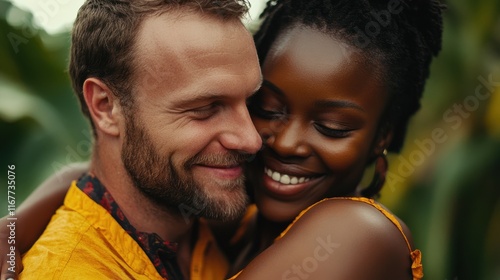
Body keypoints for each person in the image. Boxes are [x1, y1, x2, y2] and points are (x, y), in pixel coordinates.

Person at [1, 0, 444, 279]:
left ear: (381, 136)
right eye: (267, 108)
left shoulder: (356, 235)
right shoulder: (222, 225)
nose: (258, 140)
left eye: (331, 127)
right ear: (105, 106)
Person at [1, 0, 263, 279]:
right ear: (105, 106)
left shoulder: (206, 217)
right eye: (205, 108)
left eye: (253, 103)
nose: (251, 140)